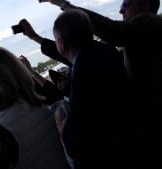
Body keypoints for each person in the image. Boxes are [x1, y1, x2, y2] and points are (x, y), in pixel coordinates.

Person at [38, 0, 162, 168]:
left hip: (159, 121)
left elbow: (110, 29)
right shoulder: (141, 35)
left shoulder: (149, 23)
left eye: (126, 5)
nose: (120, 10)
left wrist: (62, 3)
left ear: (146, 6)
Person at [51, 9, 130, 169]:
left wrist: (64, 130)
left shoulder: (82, 76)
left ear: (61, 43)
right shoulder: (104, 50)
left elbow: (81, 141)